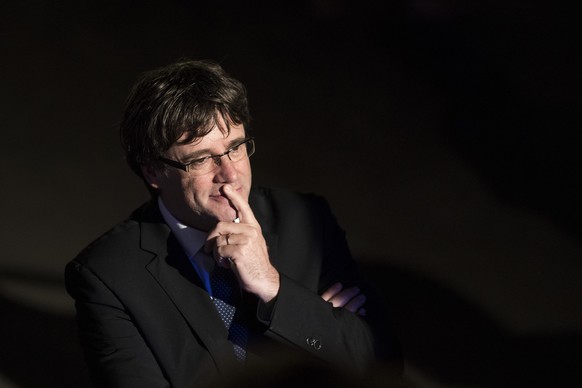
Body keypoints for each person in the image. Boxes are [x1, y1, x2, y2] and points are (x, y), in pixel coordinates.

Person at [65, 60, 399, 387]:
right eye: (200, 159)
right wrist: (320, 328)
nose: (230, 174)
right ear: (153, 170)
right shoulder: (108, 274)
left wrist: (273, 287)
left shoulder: (306, 219)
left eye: (235, 147)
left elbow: (381, 364)